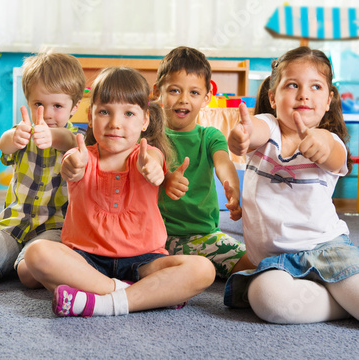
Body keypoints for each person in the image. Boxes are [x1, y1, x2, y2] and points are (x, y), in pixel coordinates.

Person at [24, 67, 216, 317]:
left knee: (203, 269)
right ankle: (135, 295)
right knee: (36, 252)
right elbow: (72, 164)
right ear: (90, 117)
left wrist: (155, 171)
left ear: (145, 120)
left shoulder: (147, 156)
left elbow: (153, 163)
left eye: (128, 113)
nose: (115, 123)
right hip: (85, 259)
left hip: (144, 261)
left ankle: (100, 301)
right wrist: (72, 166)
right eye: (104, 112)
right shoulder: (81, 156)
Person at [224, 46, 359, 324]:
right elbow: (252, 131)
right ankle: (337, 304)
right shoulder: (267, 128)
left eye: (316, 86)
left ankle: (340, 293)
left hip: (328, 250)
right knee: (266, 298)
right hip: (277, 263)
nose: (304, 94)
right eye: (293, 85)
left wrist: (319, 144)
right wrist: (240, 136)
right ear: (273, 97)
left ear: (328, 99)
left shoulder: (329, 139)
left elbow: (333, 156)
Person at [0, 52, 85, 286]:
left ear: (74, 107)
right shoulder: (23, 131)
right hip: (13, 224)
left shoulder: (77, 139)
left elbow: (67, 139)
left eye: (57, 106)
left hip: (55, 227)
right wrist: (13, 137)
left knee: (28, 274)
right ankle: (7, 260)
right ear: (28, 102)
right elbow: (4, 144)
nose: (46, 114)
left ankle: (18, 261)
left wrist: (51, 136)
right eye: (38, 104)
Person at [153, 46, 253, 278]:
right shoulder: (149, 136)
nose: (183, 100)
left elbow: (223, 163)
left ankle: (189, 269)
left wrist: (232, 189)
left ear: (207, 98)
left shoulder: (210, 136)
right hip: (154, 238)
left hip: (204, 236)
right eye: (175, 90)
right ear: (158, 92)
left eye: (194, 93)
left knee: (256, 263)